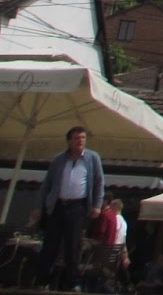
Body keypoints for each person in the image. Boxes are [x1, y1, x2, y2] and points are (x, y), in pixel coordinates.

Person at [38, 125, 105, 292]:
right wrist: (39, 207)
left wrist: (97, 205)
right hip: (58, 205)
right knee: (50, 244)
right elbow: (47, 184)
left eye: (82, 138)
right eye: (76, 138)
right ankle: (42, 280)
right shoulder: (59, 160)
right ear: (69, 141)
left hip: (78, 206)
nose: (80, 141)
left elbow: (99, 182)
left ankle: (73, 282)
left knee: (73, 245)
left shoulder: (92, 158)